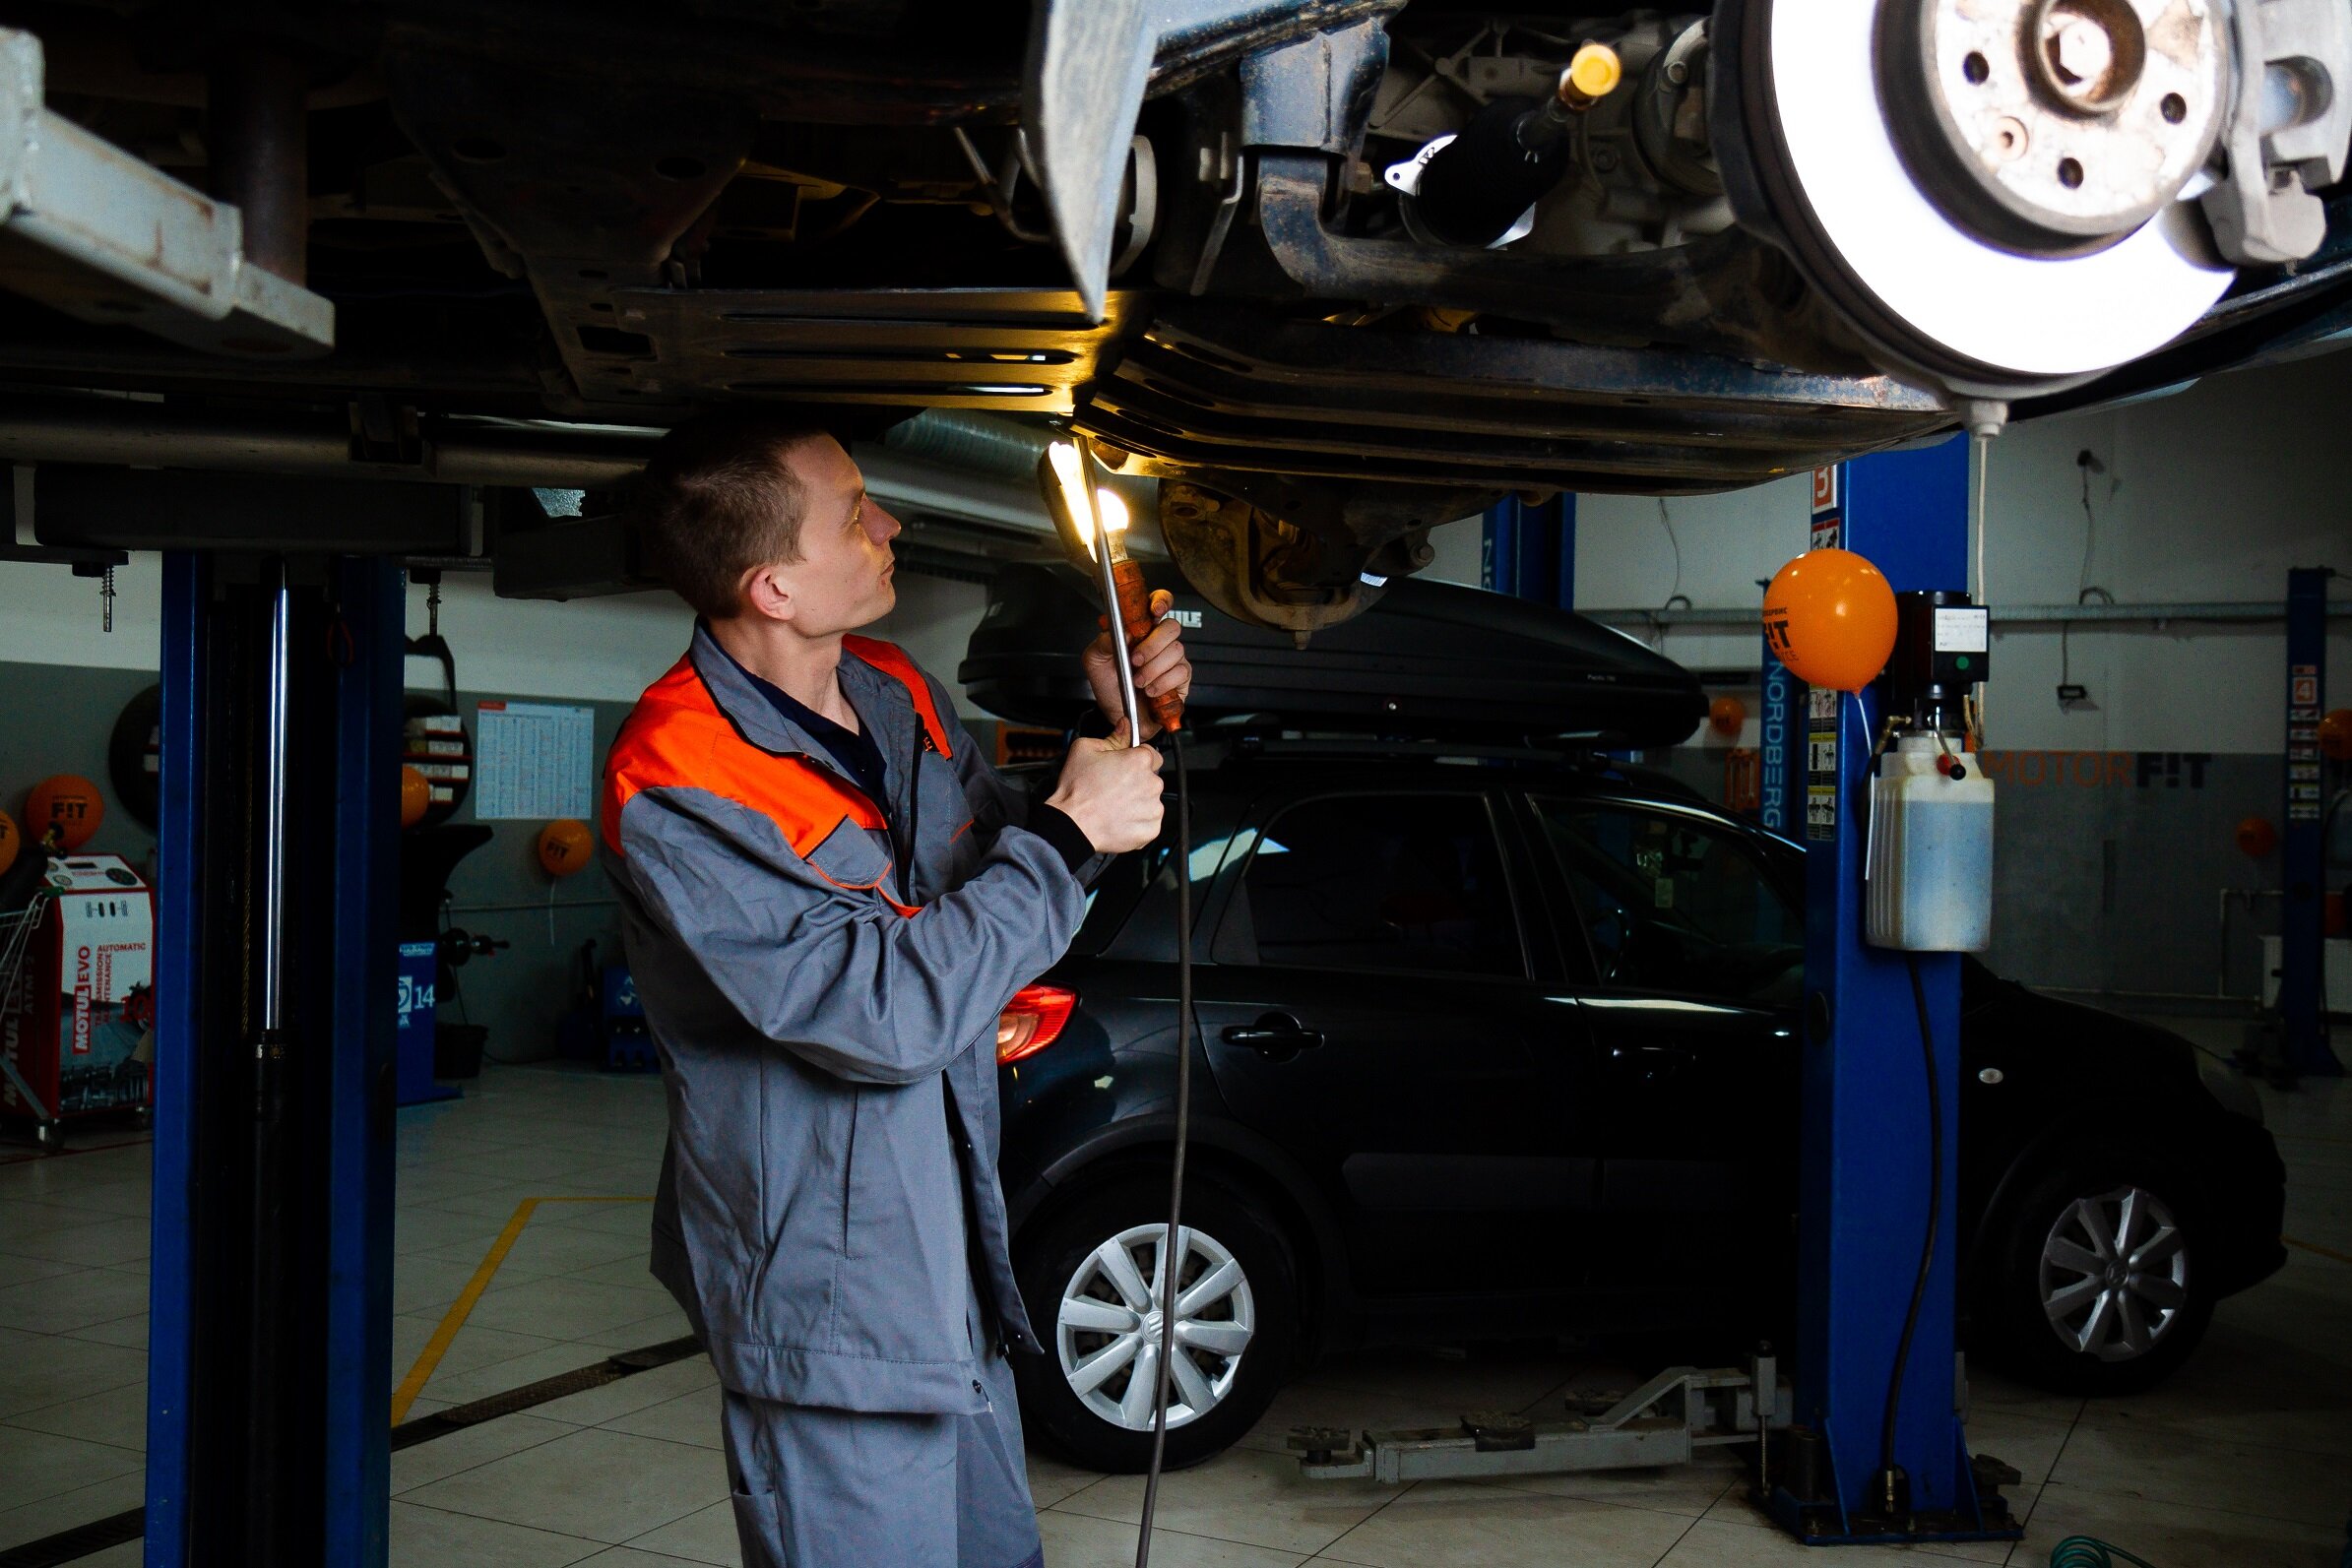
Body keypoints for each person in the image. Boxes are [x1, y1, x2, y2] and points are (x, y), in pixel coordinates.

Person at [599, 411, 1189, 1568]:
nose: (891, 524)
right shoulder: (677, 779)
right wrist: (1072, 837)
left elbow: (990, 888)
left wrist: (1111, 731)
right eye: (856, 511)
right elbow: (880, 1014)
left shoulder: (890, 689)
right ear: (773, 586)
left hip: (944, 1254)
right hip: (823, 1289)